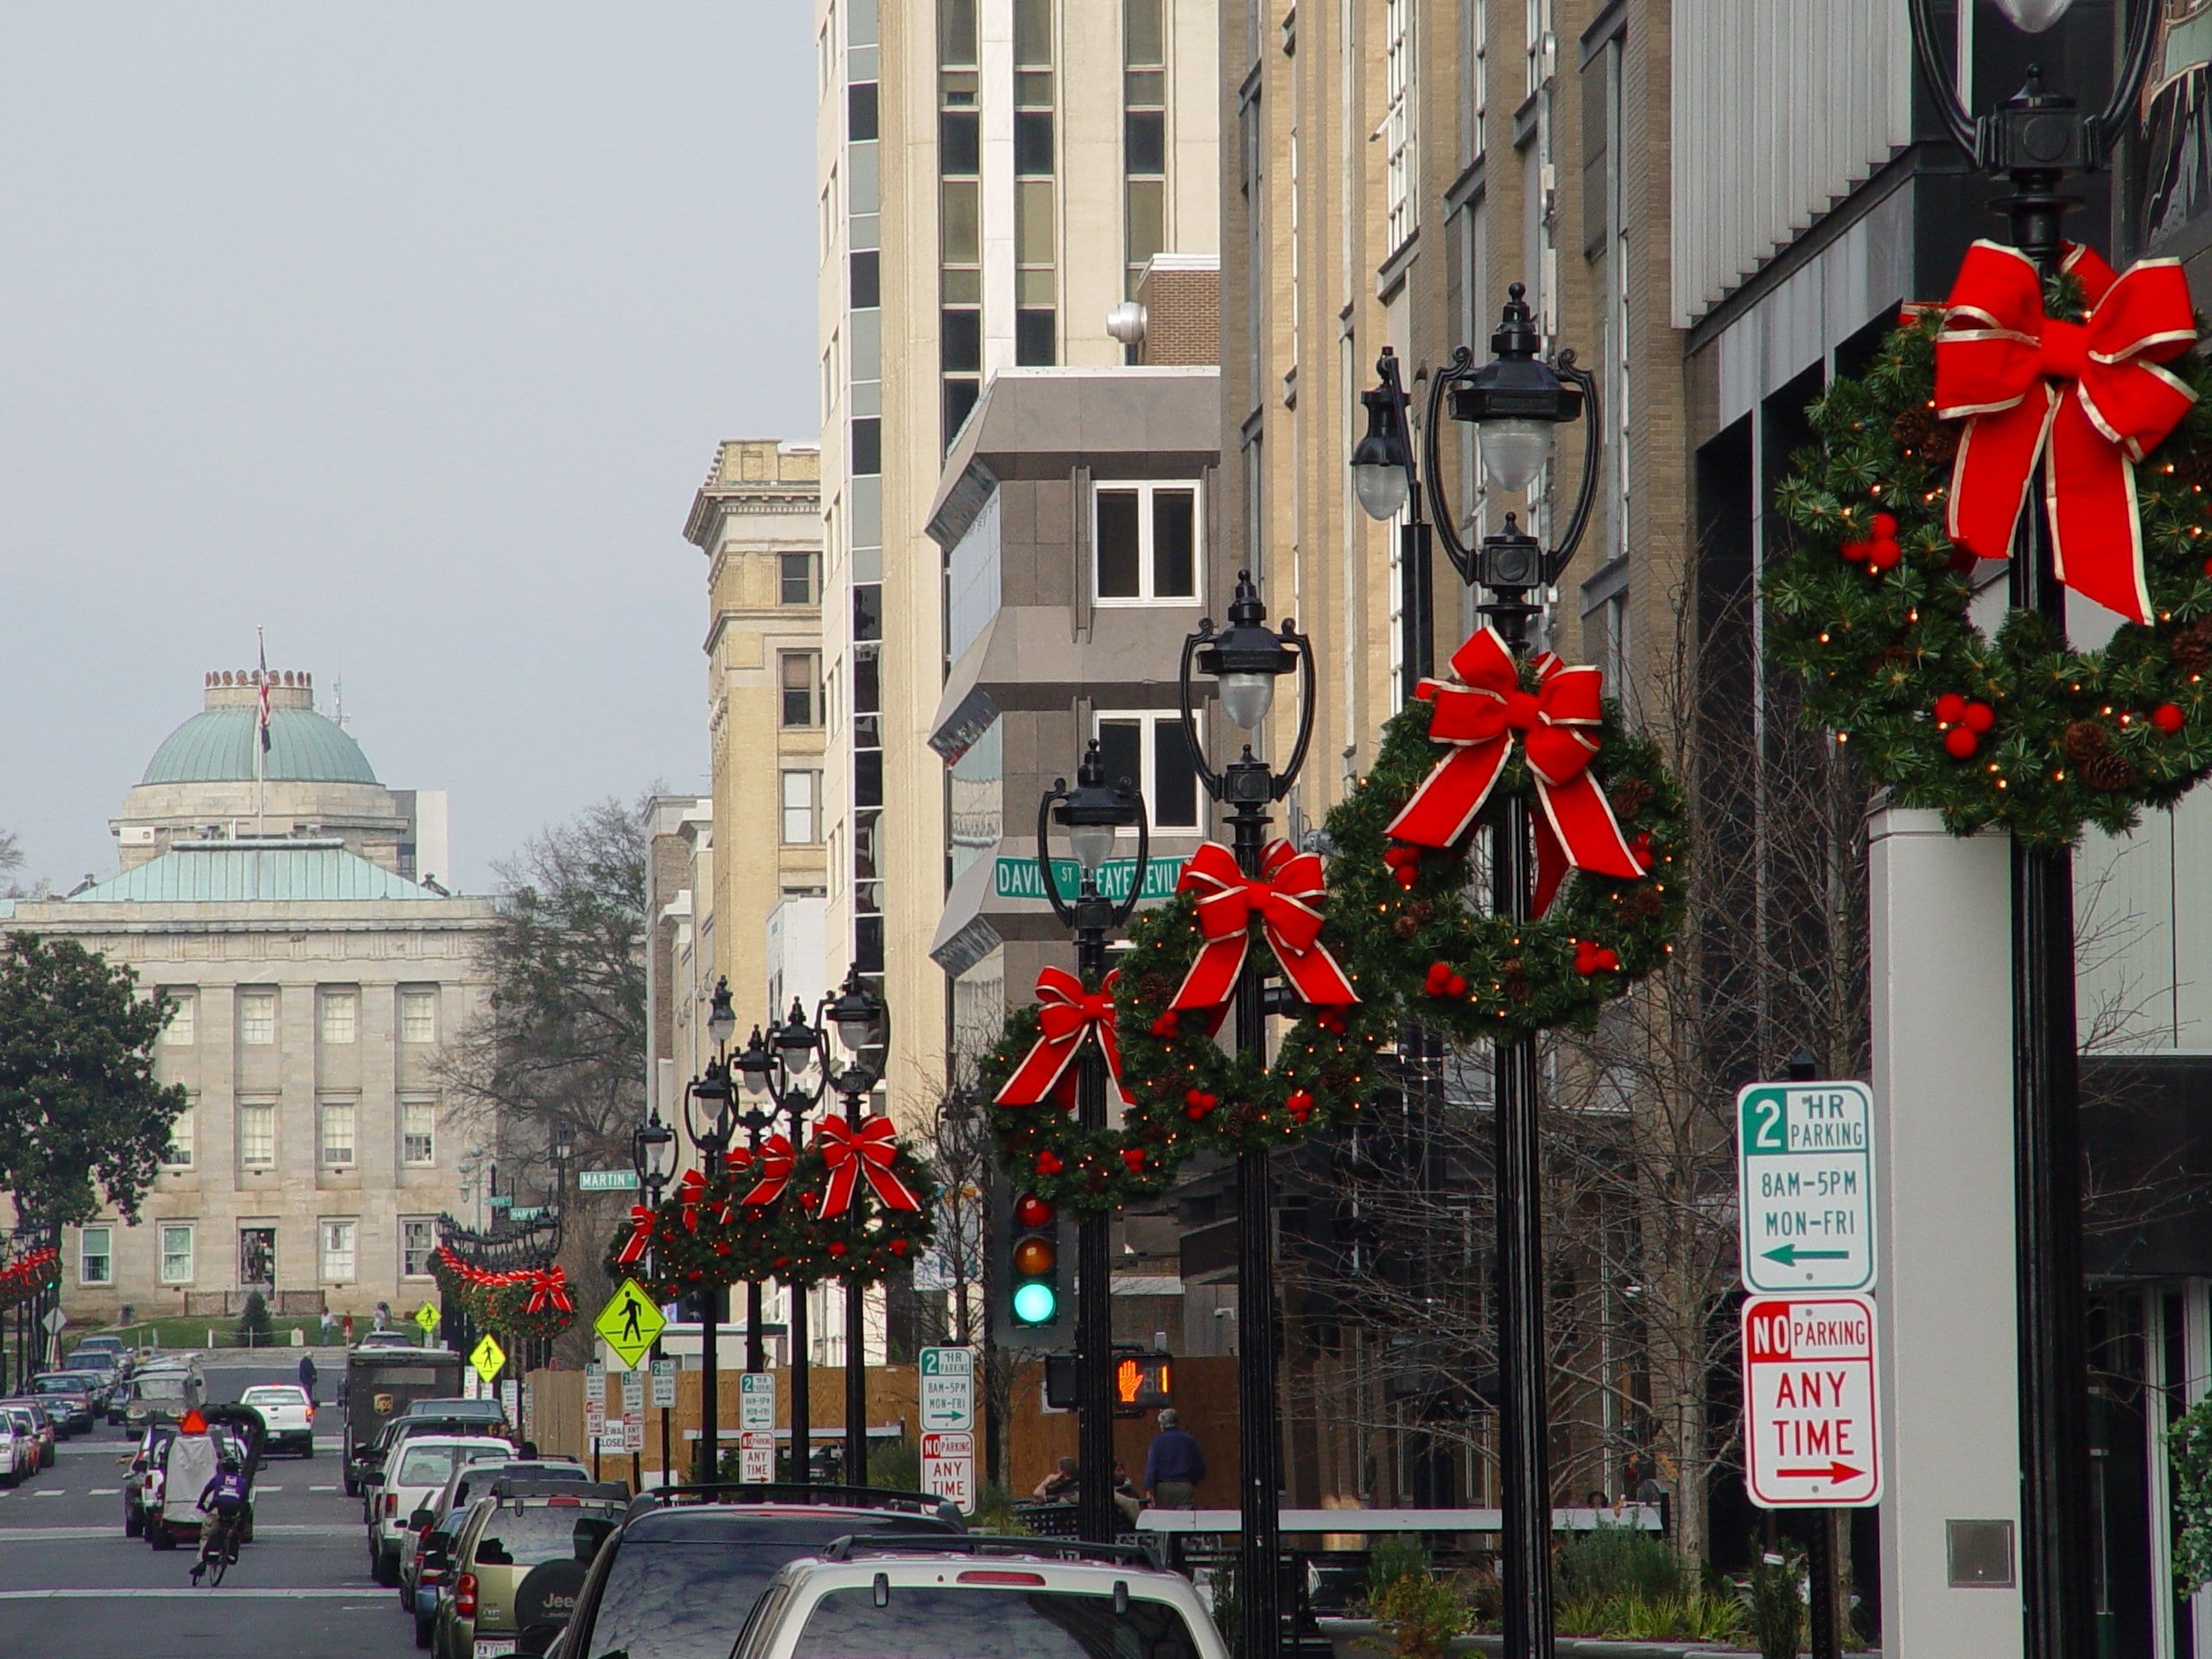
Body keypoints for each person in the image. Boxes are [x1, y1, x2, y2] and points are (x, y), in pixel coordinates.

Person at [189, 1452, 250, 1584]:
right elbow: (245, 1500)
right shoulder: (242, 1481)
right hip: (234, 1510)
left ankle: (202, 1562)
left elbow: (206, 1491)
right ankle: (229, 1552)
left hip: (218, 1508)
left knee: (207, 1534)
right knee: (233, 1530)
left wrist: (201, 1504)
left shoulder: (218, 1478)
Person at [1142, 1408, 1205, 1510]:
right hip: (1185, 1486)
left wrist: (1149, 1489)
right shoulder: (1189, 1440)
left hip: (1164, 1488)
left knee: (1165, 1520)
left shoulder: (1157, 1442)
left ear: (1162, 1425)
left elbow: (1151, 1468)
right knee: (1185, 1520)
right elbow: (1200, 1468)